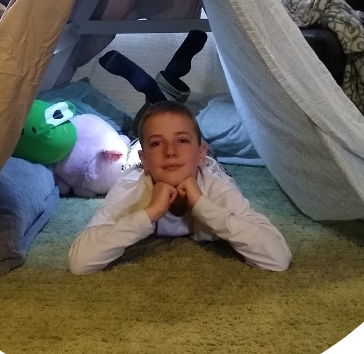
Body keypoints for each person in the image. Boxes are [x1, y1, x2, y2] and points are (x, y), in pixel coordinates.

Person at [67, 100, 291, 274]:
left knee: (206, 163)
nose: (170, 151)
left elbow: (277, 257)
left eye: (182, 140)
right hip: (141, 168)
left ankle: (181, 148)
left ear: (199, 152)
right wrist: (149, 213)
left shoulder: (218, 187)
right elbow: (80, 262)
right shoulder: (129, 188)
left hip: (206, 165)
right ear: (145, 160)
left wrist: (203, 206)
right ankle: (140, 146)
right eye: (157, 143)